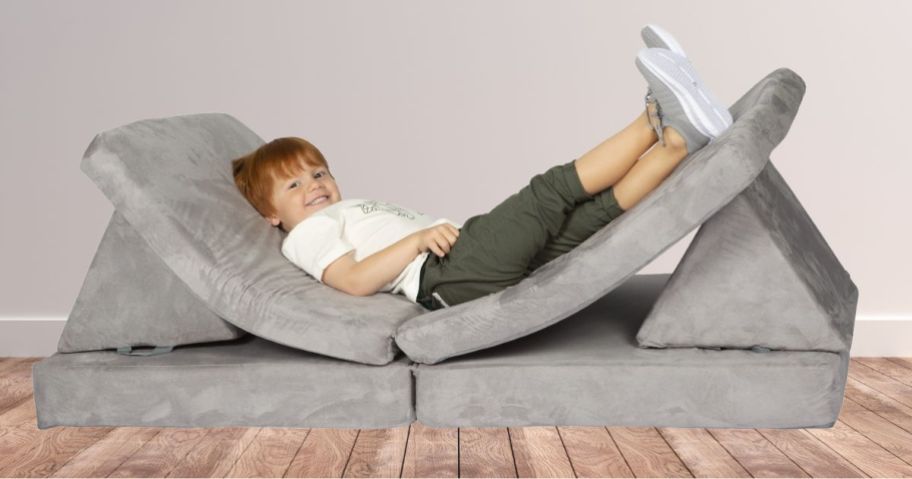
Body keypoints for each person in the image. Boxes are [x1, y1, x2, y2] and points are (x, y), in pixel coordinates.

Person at [231, 24, 733, 311]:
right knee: (551, 192)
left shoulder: (342, 212)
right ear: (271, 213)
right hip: (449, 272)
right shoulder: (307, 234)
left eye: (318, 172)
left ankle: (679, 140)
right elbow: (353, 282)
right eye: (294, 184)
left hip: (461, 263)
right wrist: (415, 241)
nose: (314, 186)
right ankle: (652, 119)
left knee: (594, 216)